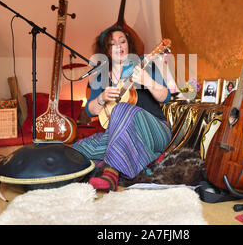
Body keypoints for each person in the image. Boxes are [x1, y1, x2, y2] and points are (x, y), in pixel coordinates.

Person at [72, 30, 172, 192]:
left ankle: (111, 172)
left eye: (122, 41)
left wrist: (147, 81)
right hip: (120, 134)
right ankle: (149, 156)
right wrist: (101, 98)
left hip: (155, 131)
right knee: (78, 149)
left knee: (120, 108)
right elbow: (90, 112)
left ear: (129, 44)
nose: (118, 46)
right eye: (112, 43)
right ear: (106, 50)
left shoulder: (144, 65)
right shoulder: (101, 76)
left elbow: (165, 97)